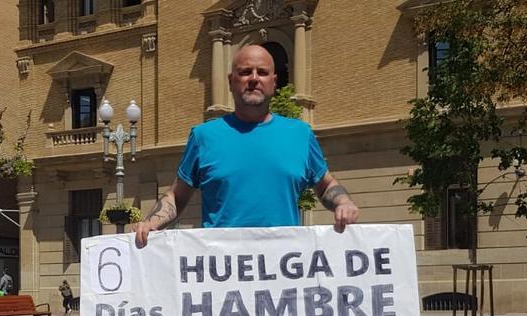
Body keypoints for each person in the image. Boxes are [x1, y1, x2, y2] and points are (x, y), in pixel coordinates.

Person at [135, 44, 359, 247]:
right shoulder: (204, 136)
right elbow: (177, 196)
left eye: (262, 72)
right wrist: (151, 222)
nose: (254, 78)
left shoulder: (300, 134)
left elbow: (326, 184)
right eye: (245, 72)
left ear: (274, 81)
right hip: (222, 271)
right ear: (231, 81)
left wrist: (344, 202)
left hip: (284, 267)